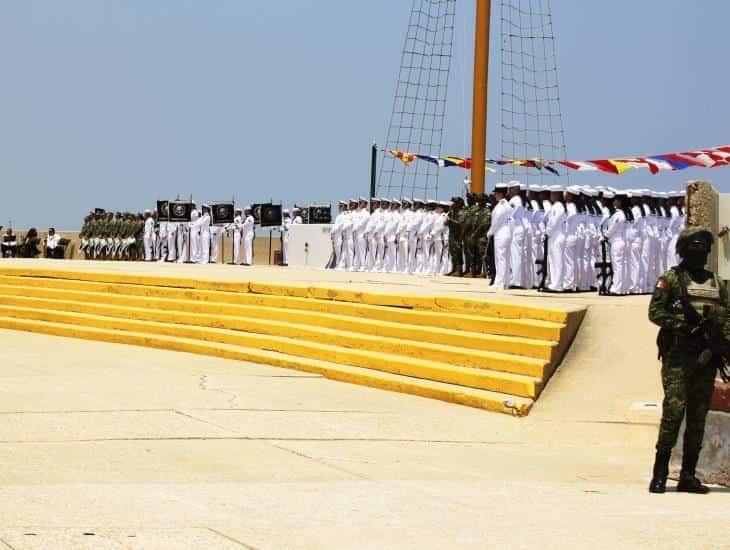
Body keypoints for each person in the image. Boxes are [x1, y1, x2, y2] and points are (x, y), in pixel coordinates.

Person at [648, 227, 727, 494]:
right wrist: (682, 326)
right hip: (678, 359)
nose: (700, 254)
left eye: (703, 249)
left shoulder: (717, 283)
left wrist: (721, 345)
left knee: (698, 417)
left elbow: (726, 318)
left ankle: (688, 476)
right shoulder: (671, 279)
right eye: (694, 249)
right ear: (683, 250)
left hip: (705, 360)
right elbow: (655, 312)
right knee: (673, 413)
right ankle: (659, 474)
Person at [487, 183, 511, 289]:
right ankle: (505, 282)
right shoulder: (506, 204)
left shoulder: (501, 205)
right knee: (504, 258)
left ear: (501, 194)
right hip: (505, 232)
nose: (495, 195)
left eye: (496, 193)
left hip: (500, 233)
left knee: (500, 258)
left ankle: (499, 283)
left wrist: (490, 232)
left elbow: (496, 221)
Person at [544, 185, 566, 292]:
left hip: (556, 236)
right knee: (554, 261)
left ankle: (556, 284)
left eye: (552, 194)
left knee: (556, 261)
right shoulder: (558, 206)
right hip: (555, 236)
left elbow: (553, 222)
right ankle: (555, 283)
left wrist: (547, 232)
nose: (550, 196)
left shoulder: (558, 206)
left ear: (557, 194)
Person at [445, 197, 464, 276]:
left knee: (458, 252)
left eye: (454, 203)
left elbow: (460, 224)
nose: (453, 204)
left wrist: (450, 221)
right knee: (452, 252)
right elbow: (446, 222)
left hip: (458, 235)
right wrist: (447, 221)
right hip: (452, 234)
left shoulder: (461, 212)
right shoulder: (451, 212)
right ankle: (453, 269)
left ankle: (459, 270)